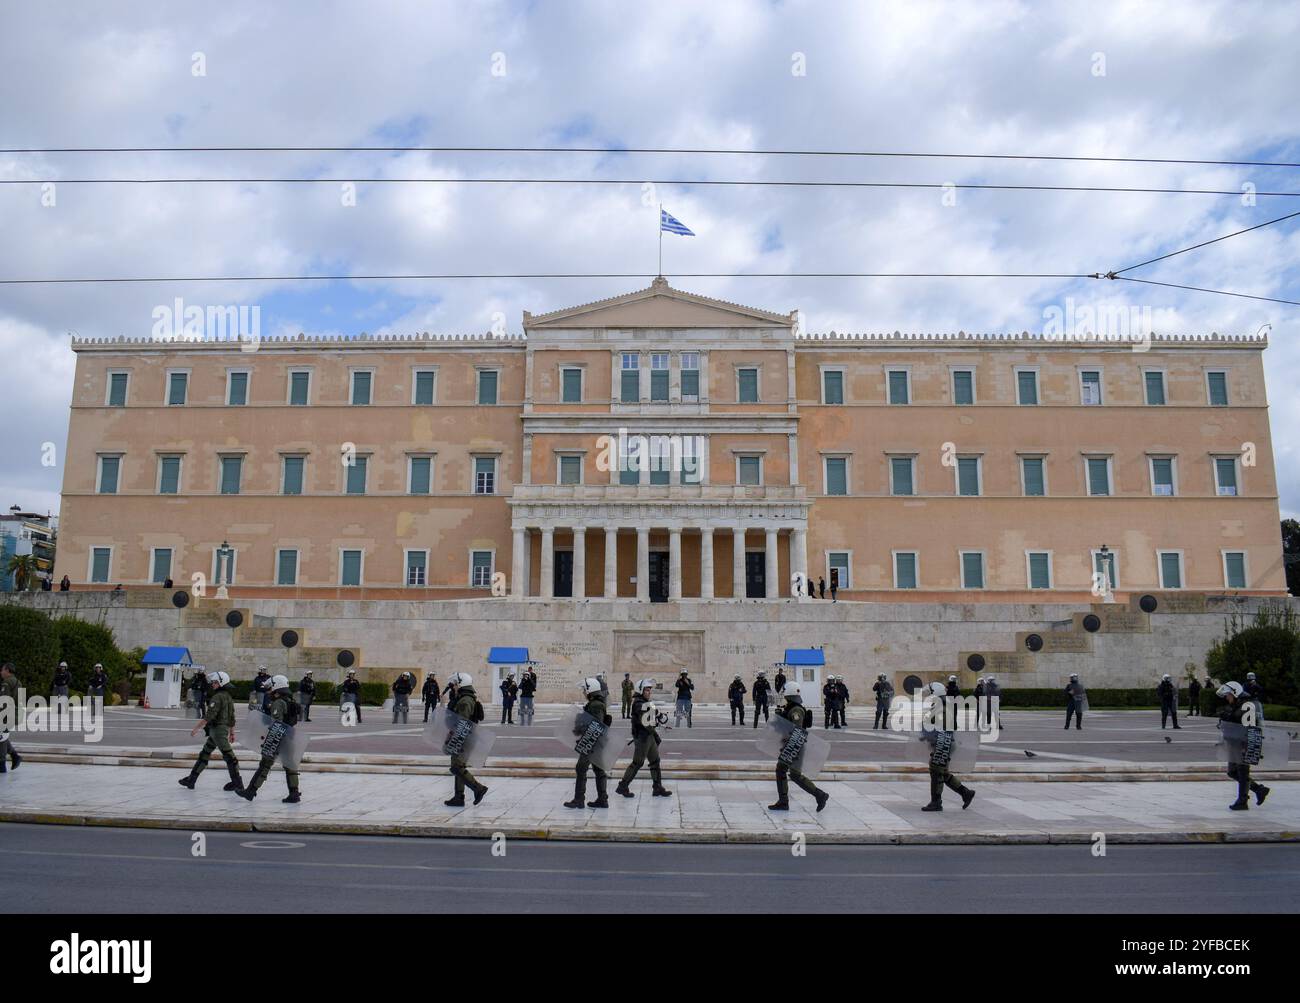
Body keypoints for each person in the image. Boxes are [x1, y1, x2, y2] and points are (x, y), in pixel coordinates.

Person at [239, 675, 302, 803]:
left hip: (277, 738)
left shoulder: (278, 703)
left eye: (270, 689)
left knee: (264, 765)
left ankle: (250, 791)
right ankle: (294, 794)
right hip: (289, 738)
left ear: (277, 688)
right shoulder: (290, 701)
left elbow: (276, 723)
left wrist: (269, 740)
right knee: (290, 766)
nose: (268, 692)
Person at [177, 670, 242, 793]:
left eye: (215, 682)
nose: (213, 684)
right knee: (205, 753)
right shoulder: (228, 696)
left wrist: (196, 728)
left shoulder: (217, 697)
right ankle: (191, 779)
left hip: (217, 732)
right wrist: (232, 732)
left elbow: (209, 716)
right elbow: (232, 717)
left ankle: (237, 783)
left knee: (229, 756)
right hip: (219, 731)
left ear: (221, 683)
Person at [768, 683, 829, 812]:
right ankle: (783, 801)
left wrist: (791, 748)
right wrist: (779, 719)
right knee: (781, 769)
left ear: (789, 694)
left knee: (794, 775)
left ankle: (820, 795)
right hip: (791, 744)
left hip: (795, 745)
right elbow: (785, 728)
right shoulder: (790, 708)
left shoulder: (796, 710)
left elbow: (797, 730)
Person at [921, 681, 976, 812]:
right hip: (945, 742)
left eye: (930, 694)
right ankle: (966, 793)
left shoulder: (941, 707)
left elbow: (941, 726)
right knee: (942, 772)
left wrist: (928, 733)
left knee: (936, 771)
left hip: (943, 742)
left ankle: (936, 802)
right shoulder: (943, 704)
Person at [1216, 681, 1270, 811]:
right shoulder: (1237, 704)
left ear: (1235, 693)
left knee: (1242, 771)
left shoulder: (1248, 705)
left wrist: (1227, 716)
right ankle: (1259, 789)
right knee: (1232, 772)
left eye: (1228, 695)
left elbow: (1246, 723)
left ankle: (1242, 801)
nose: (1226, 698)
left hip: (1245, 742)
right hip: (1235, 742)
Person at [616, 678, 672, 799]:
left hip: (649, 736)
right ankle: (623, 786)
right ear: (640, 690)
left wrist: (660, 720)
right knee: (638, 762)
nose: (649, 692)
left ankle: (657, 787)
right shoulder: (638, 704)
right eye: (646, 690)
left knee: (655, 761)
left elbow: (652, 717)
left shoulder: (646, 703)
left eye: (649, 690)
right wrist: (656, 732)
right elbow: (645, 722)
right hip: (642, 737)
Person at [564, 678, 611, 809]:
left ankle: (579, 800)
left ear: (590, 690)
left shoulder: (595, 705)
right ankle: (602, 799)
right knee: (599, 769)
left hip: (591, 742)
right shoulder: (596, 703)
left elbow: (595, 725)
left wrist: (582, 728)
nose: (584, 692)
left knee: (581, 768)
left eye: (585, 689)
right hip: (597, 742)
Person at [443, 672, 489, 807]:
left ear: (462, 684)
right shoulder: (463, 698)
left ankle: (478, 788)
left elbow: (462, 721)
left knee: (457, 767)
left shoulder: (465, 700)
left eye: (456, 684)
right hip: (463, 736)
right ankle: (459, 797)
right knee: (458, 766)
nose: (454, 687)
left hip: (464, 737)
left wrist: (455, 736)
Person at [0, 663, 23, 771]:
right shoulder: (19, 682)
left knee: (1, 739)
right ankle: (15, 756)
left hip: (6, 715)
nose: (1, 672)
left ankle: (2, 764)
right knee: (2, 737)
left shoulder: (7, 683)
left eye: (2, 670)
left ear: (7, 670)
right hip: (15, 713)